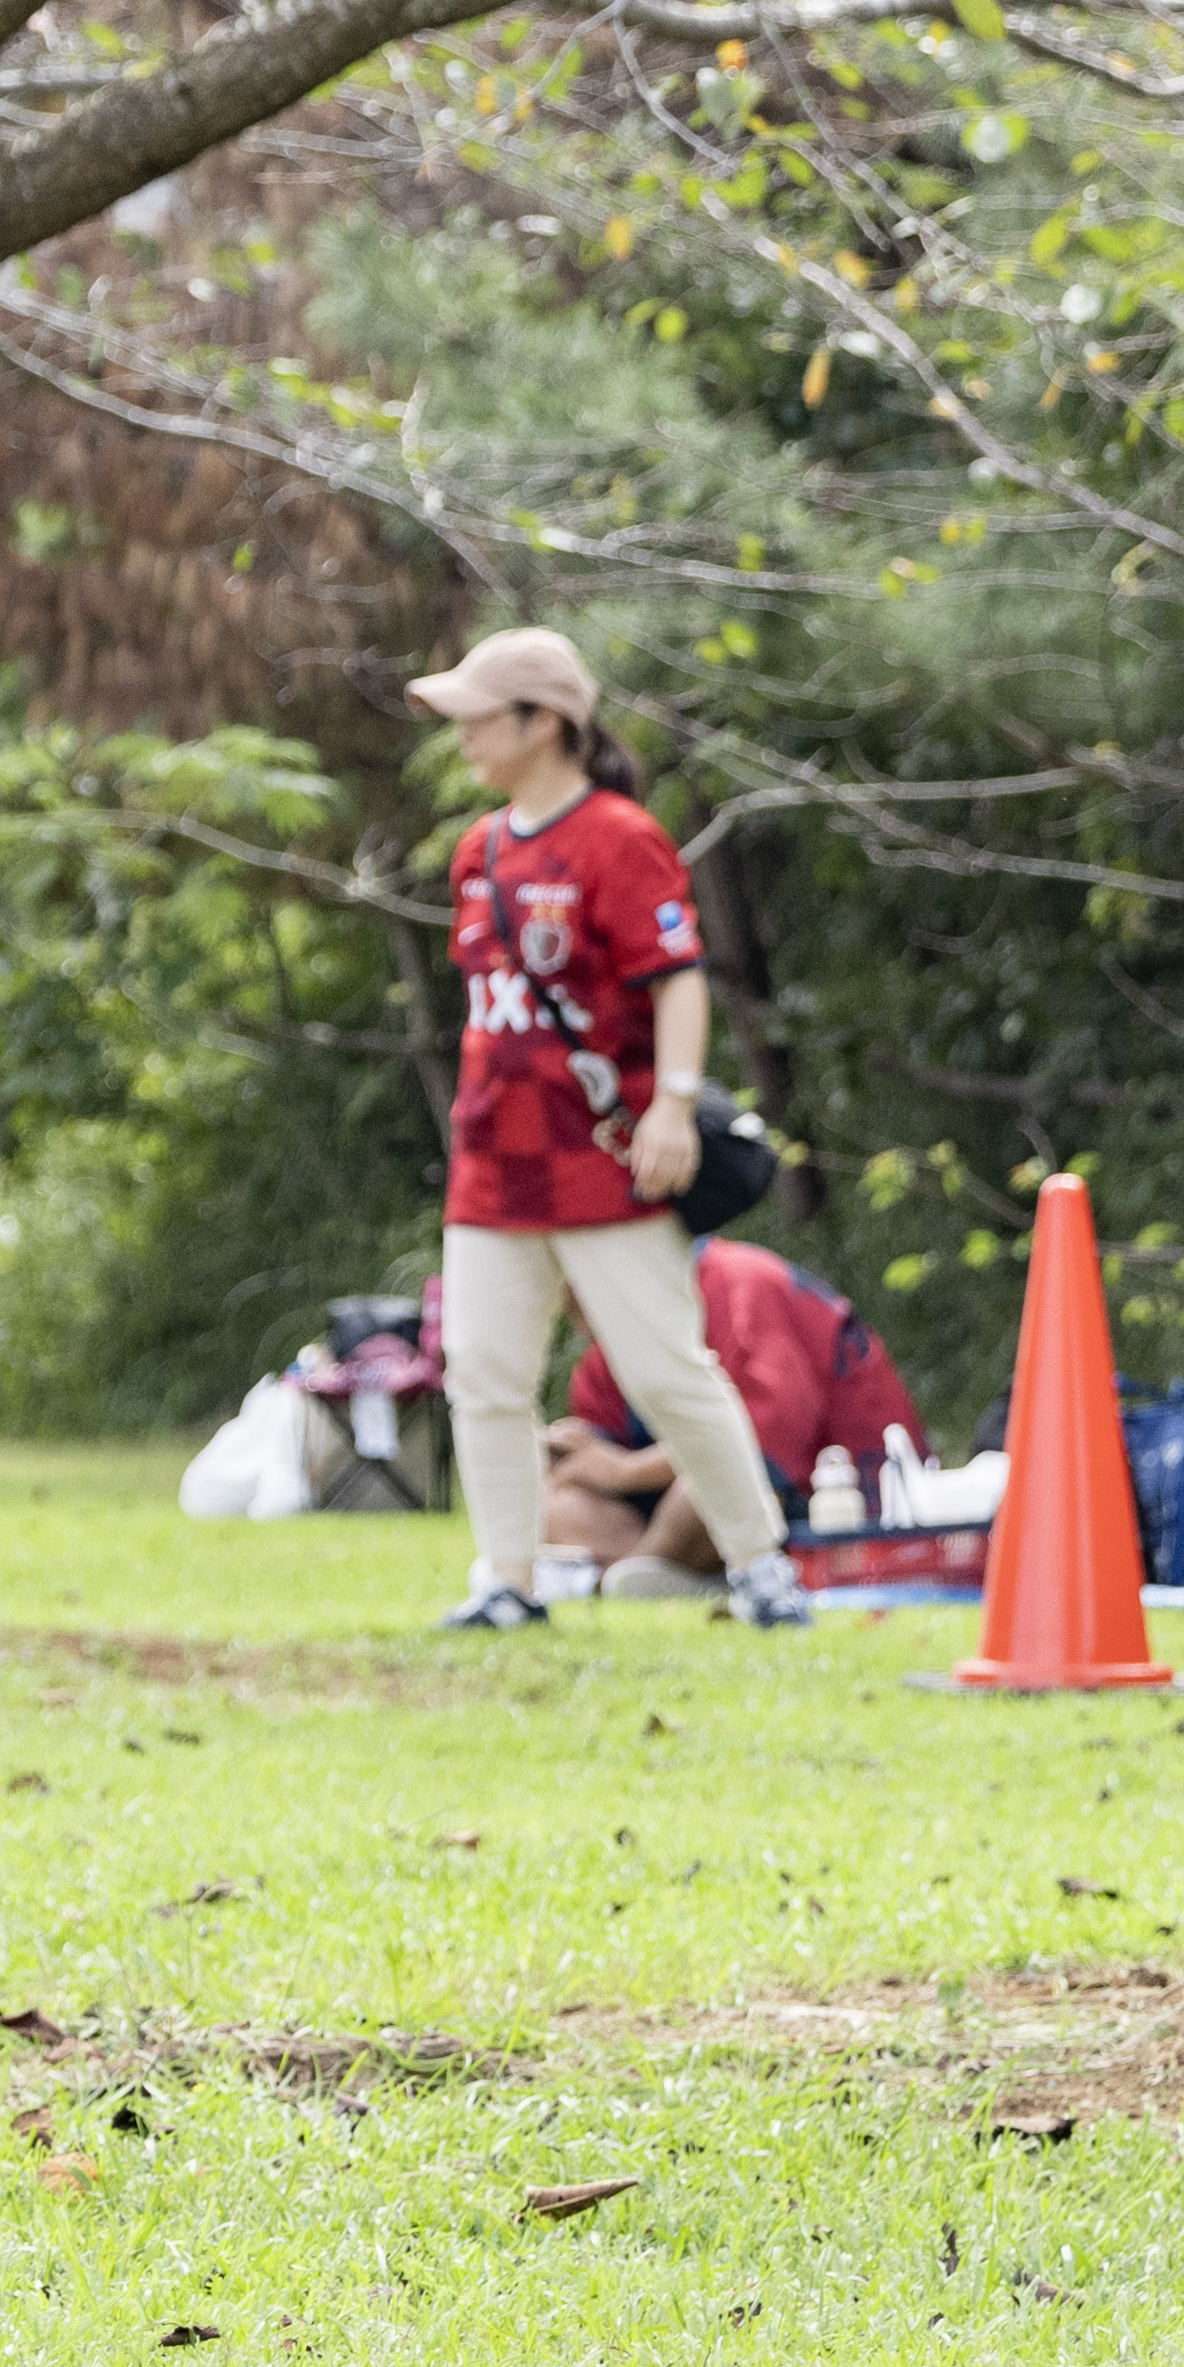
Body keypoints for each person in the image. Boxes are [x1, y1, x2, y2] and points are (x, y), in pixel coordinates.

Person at [410, 624, 809, 1631]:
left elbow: (676, 982)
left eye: (477, 715)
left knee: (668, 1369)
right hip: (495, 1162)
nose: (461, 735)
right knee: (485, 1378)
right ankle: (506, 1578)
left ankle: (762, 1564)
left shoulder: (620, 838)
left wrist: (673, 1104)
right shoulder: (479, 852)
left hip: (605, 1159)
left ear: (545, 723)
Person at [544, 1211, 929, 1592]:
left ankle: (640, 1575)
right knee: (556, 1502)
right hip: (677, 1498)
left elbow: (765, 1441)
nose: (583, 1326)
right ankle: (654, 1578)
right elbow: (602, 1434)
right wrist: (574, 1453)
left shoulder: (740, 1285)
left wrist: (626, 1471)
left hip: (826, 1489)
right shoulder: (614, 1335)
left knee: (708, 1486)